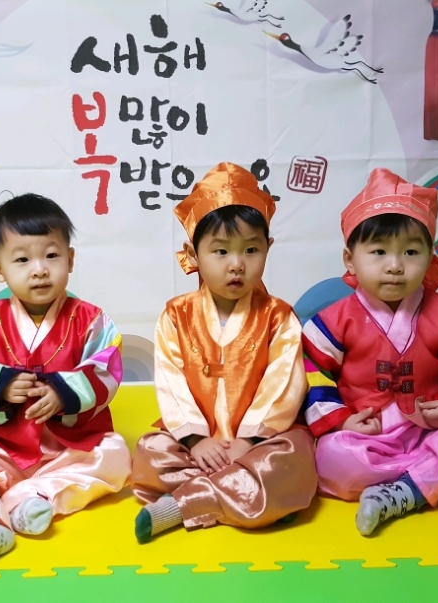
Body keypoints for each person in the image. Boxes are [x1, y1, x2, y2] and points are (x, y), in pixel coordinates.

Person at [0, 193, 131, 558]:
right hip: (1, 446)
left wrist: (64, 392)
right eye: (22, 259)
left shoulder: (92, 320)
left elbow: (107, 366)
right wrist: (2, 386)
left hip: (69, 447)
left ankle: (29, 500)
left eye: (51, 256)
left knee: (115, 453)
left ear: (70, 259)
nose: (39, 269)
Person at [301, 168, 438, 536]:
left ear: (429, 257)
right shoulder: (336, 319)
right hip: (367, 435)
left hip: (429, 431)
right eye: (378, 252)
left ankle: (400, 492)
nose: (395, 265)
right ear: (350, 259)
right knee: (330, 456)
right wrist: (342, 420)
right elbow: (312, 368)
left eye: (411, 252)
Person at [131, 162, 317, 543]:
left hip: (261, 442)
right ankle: (244, 496)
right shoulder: (176, 315)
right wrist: (196, 440)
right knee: (151, 452)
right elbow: (171, 381)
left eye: (251, 249)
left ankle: (182, 505)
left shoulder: (278, 316)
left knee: (292, 457)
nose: (237, 264)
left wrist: (248, 441)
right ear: (193, 253)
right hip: (197, 443)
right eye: (220, 251)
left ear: (268, 248)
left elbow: (284, 385)